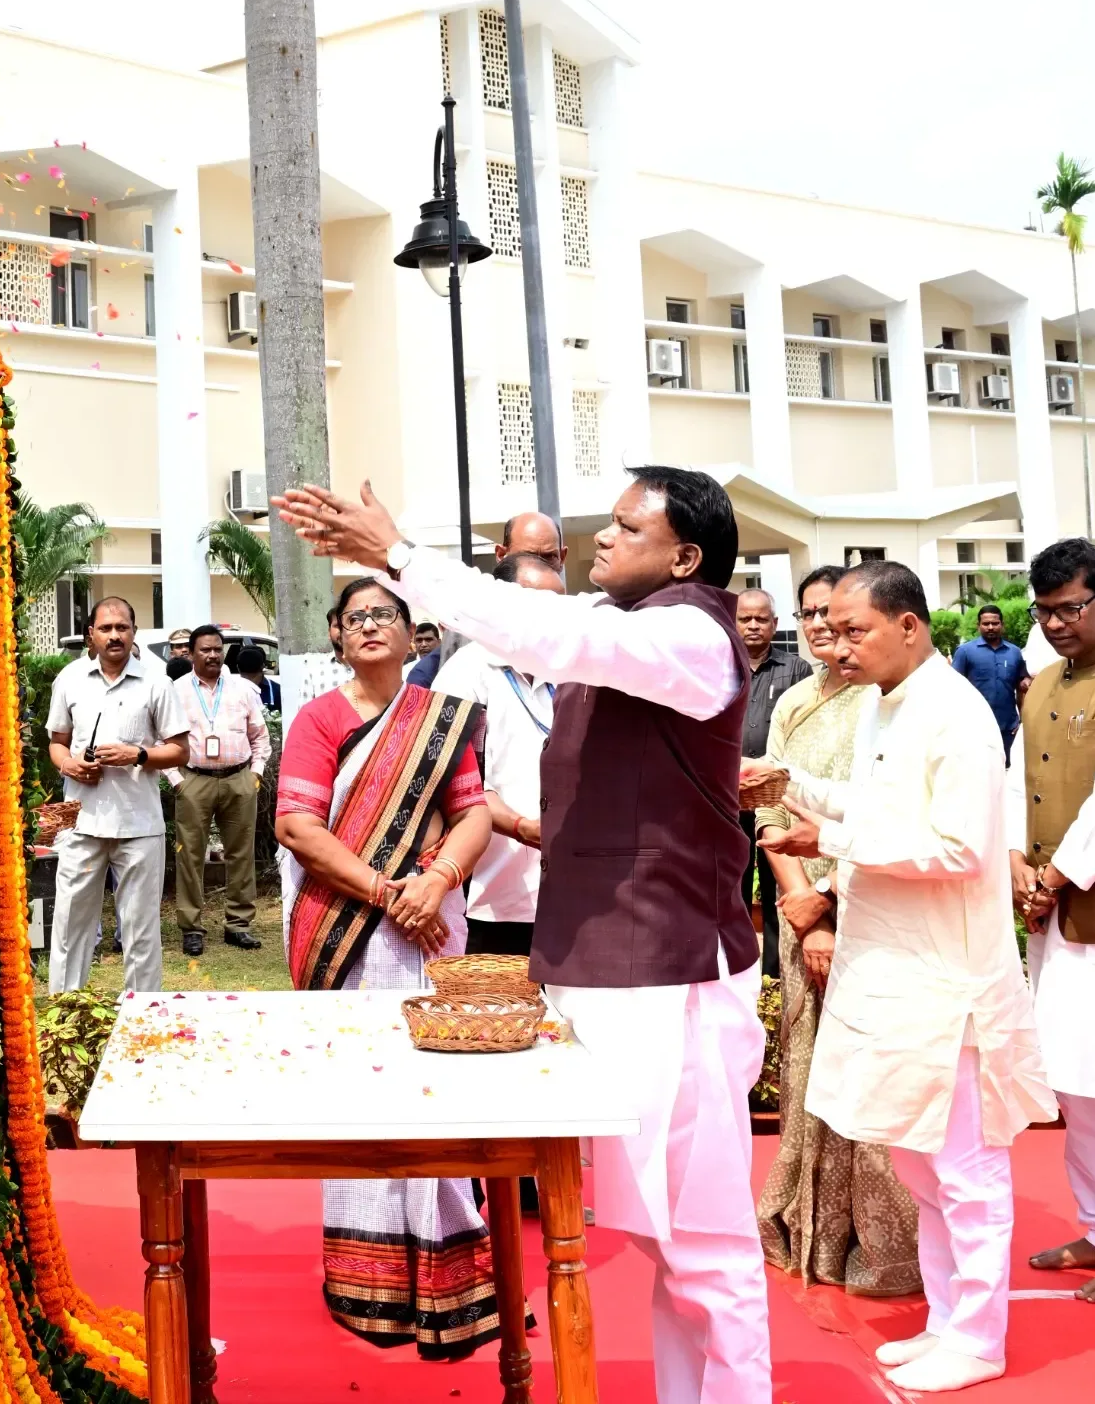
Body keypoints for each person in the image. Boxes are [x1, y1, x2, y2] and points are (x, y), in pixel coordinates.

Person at [279, 465, 772, 1404]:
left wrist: (401, 554)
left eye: (629, 528)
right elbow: (533, 638)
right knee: (668, 1244)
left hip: (669, 975)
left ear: (688, 556)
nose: (606, 539)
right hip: (604, 970)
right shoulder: (624, 633)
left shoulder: (689, 633)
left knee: (703, 1240)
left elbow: (547, 627)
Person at [762, 563, 1055, 1392]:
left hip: (944, 980)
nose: (836, 643)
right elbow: (877, 803)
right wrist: (793, 788)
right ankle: (948, 1320)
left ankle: (981, 1335)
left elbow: (959, 848)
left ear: (910, 627)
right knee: (919, 1164)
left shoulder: (954, 712)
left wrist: (830, 842)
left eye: (855, 629)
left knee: (964, 1169)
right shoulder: (887, 703)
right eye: (828, 627)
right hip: (887, 968)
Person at [274, 574, 500, 1360]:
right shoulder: (318, 718)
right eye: (354, 618)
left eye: (385, 615)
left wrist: (432, 884)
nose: (370, 626)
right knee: (360, 1091)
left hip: (428, 927)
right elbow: (298, 827)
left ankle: (450, 1273)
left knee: (432, 1084)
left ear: (414, 636)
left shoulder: (442, 720)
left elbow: (473, 812)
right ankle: (365, 1276)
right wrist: (383, 890)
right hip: (343, 928)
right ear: (337, 636)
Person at [752, 566, 921, 1295]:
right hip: (799, 908)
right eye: (813, 614)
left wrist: (825, 900)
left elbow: (893, 815)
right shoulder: (792, 700)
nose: (824, 628)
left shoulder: (885, 705)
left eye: (840, 618)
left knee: (872, 1078)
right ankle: (807, 1231)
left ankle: (879, 1246)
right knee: (807, 1071)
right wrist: (799, 902)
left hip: (869, 906)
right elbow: (770, 809)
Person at [1008, 537, 1095, 1303]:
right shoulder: (1039, 685)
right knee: (1077, 1085)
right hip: (1054, 916)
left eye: (1070, 607)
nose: (1054, 623)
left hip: (1089, 902)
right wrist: (1016, 861)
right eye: (1044, 611)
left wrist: (1057, 874)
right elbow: (1015, 779)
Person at [45, 598, 187, 993]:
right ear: (90, 634)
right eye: (105, 628)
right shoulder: (70, 679)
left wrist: (137, 754)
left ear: (133, 633)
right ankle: (65, 1017)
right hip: (78, 821)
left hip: (139, 824)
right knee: (71, 927)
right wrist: (69, 765)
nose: (114, 635)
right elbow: (57, 743)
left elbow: (179, 751)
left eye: (121, 628)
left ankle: (143, 1022)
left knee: (141, 933)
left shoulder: (158, 683)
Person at [437, 549, 563, 956]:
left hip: (571, 889)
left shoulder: (571, 673)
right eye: (539, 606)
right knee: (500, 1015)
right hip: (491, 891)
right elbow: (454, 782)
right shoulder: (464, 674)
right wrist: (524, 828)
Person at [171, 624, 271, 954]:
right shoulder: (178, 690)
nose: (212, 655)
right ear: (192, 653)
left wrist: (254, 775)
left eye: (217, 649)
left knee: (241, 853)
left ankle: (238, 924)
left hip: (238, 778)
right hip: (194, 779)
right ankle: (191, 928)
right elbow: (163, 738)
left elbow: (260, 737)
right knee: (191, 854)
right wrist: (178, 781)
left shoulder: (242, 689)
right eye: (205, 650)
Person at [407, 511, 562, 689]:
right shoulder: (467, 630)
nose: (538, 567)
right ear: (501, 554)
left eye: (549, 557)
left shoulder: (576, 625)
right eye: (527, 556)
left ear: (563, 557)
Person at [739, 587, 810, 975]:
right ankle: (736, 968)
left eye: (761, 619)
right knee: (733, 879)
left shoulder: (796, 669)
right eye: (745, 618)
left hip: (776, 797)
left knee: (774, 882)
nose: (753, 625)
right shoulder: (722, 668)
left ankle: (774, 970)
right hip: (730, 794)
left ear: (775, 624)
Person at [953, 603, 1030, 758]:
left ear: (1002, 625)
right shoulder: (965, 652)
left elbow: (1022, 686)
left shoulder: (1014, 652)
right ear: (978, 626)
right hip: (976, 728)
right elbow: (954, 688)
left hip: (1008, 728)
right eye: (986, 623)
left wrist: (1022, 721)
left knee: (1008, 774)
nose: (990, 627)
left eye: (995, 623)